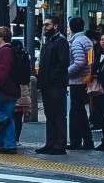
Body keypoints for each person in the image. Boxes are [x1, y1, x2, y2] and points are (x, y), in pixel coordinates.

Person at [34, 17, 71, 155]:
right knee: (50, 115)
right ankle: (50, 143)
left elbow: (63, 63)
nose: (44, 27)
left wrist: (52, 77)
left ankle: (60, 144)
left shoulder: (61, 42)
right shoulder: (48, 42)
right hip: (47, 85)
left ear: (55, 26)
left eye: (47, 25)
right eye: (44, 25)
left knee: (58, 114)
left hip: (56, 85)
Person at [65, 16, 95, 151]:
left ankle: (86, 141)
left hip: (77, 81)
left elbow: (79, 62)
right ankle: (76, 140)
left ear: (71, 28)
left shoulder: (76, 42)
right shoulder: (87, 41)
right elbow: (89, 61)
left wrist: (66, 73)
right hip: (85, 79)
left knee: (78, 112)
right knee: (76, 112)